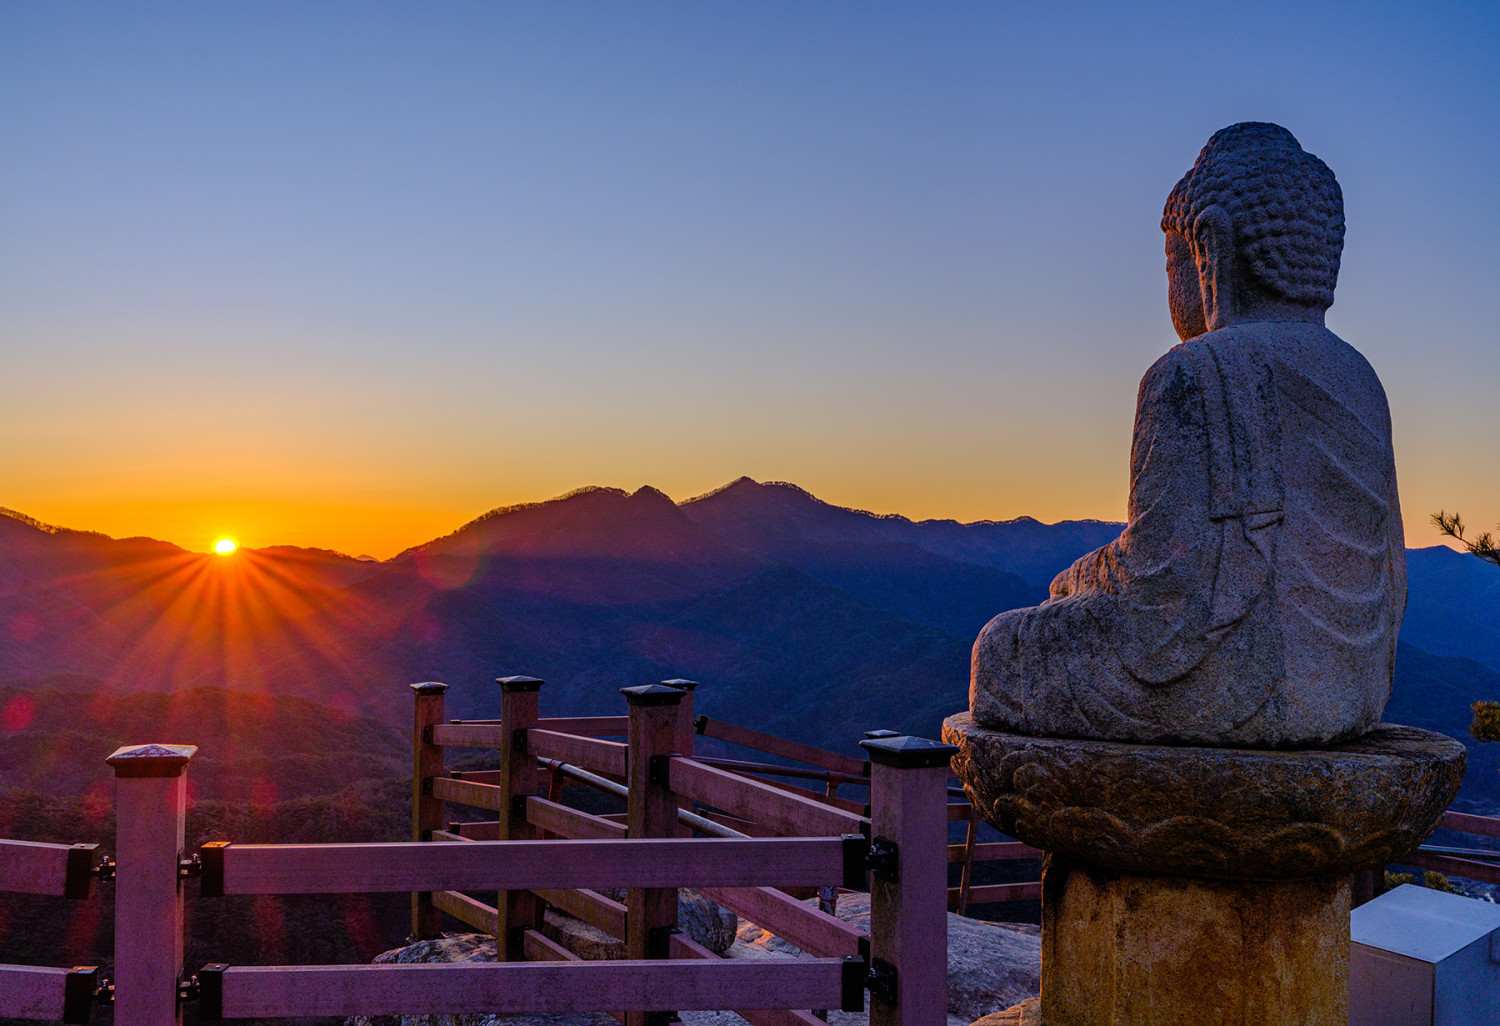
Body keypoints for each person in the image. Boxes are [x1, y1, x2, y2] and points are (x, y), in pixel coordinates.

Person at [971, 123, 1404, 747]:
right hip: (1354, 687)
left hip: (1239, 683)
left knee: (1000, 650)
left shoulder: (1194, 370)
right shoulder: (1362, 378)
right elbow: (1392, 577)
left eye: (1172, 264)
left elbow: (1161, 582)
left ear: (1210, 249)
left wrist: (1078, 578)